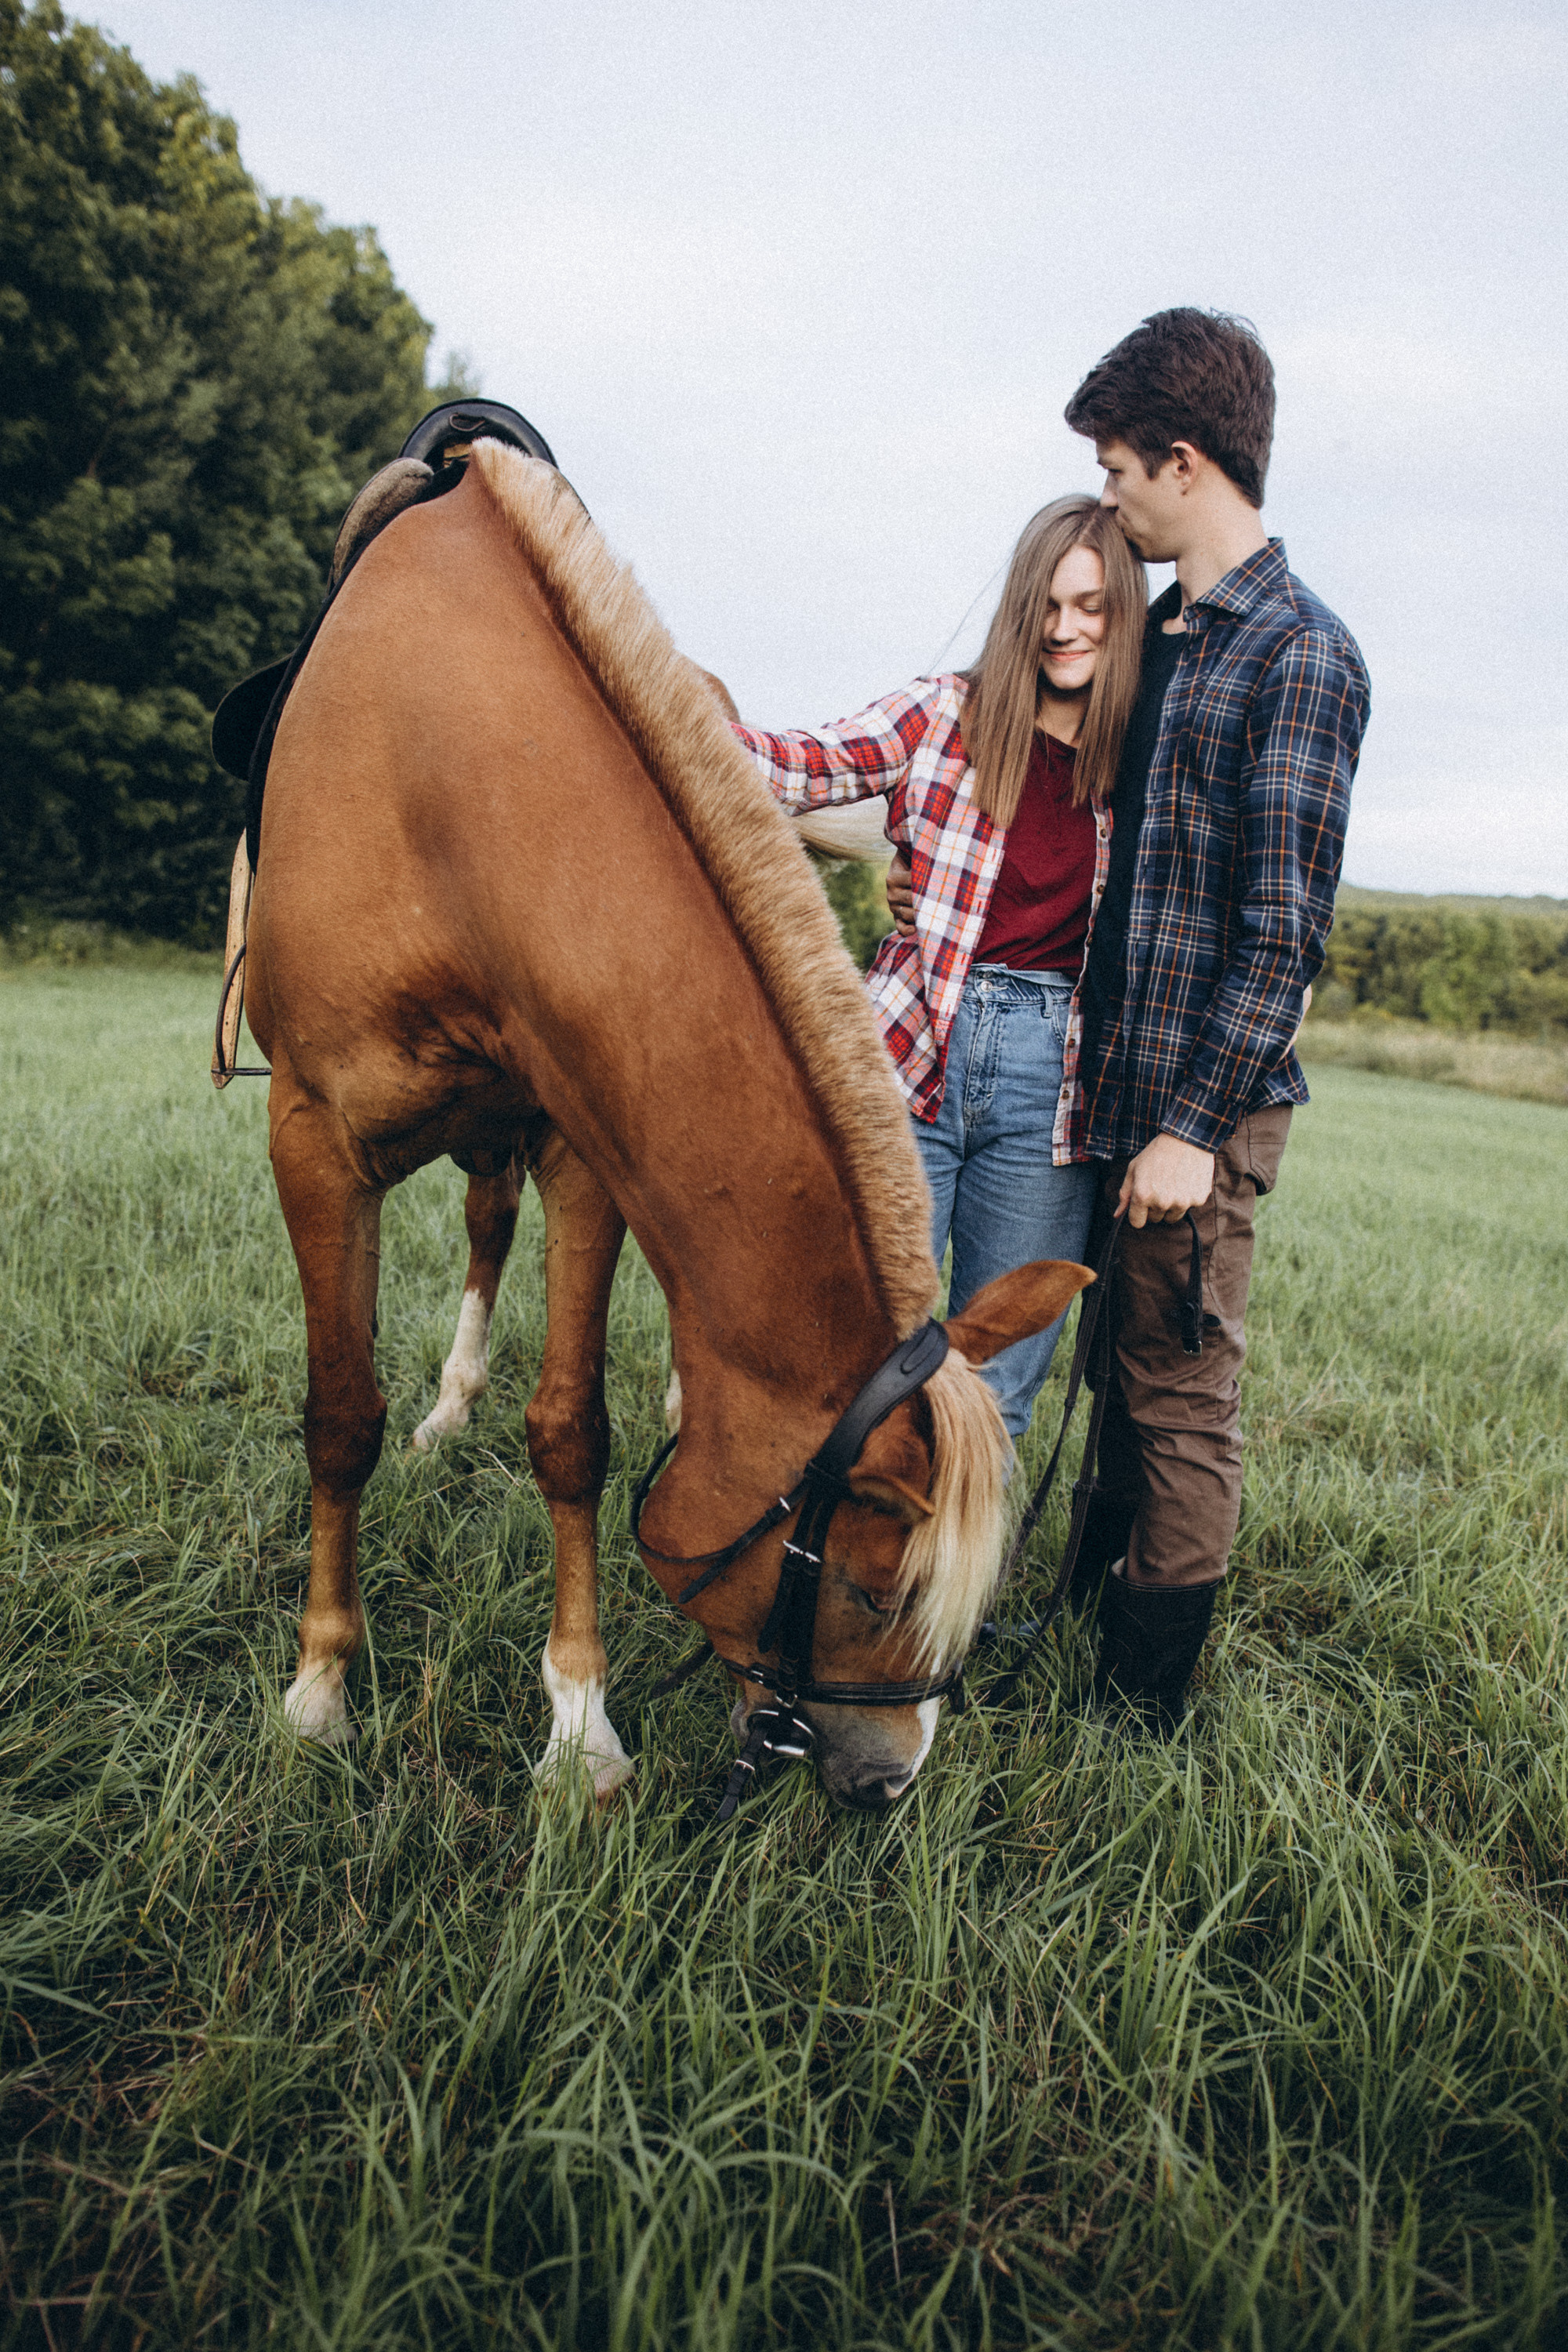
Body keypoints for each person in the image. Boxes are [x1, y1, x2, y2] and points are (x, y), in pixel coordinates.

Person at [888, 309, 1369, 1733]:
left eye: (1115, 472)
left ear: (1180, 460)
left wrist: (1189, 1131)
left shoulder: (1300, 655)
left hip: (1192, 1116)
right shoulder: (1165, 641)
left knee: (1178, 1397)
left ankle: (1142, 1702)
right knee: (1106, 1363)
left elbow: (1282, 935)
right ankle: (1074, 1611)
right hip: (1099, 1093)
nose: (1107, 500)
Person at [730, 497, 1145, 1441]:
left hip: (1054, 1087)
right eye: (1044, 605)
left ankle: (959, 1592)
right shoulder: (944, 712)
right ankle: (816, 1576)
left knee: (993, 1387)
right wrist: (655, 698)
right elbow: (802, 764)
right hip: (910, 1049)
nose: (1064, 629)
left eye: (1089, 606)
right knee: (860, 1352)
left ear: (1120, 612)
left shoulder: (1141, 758)